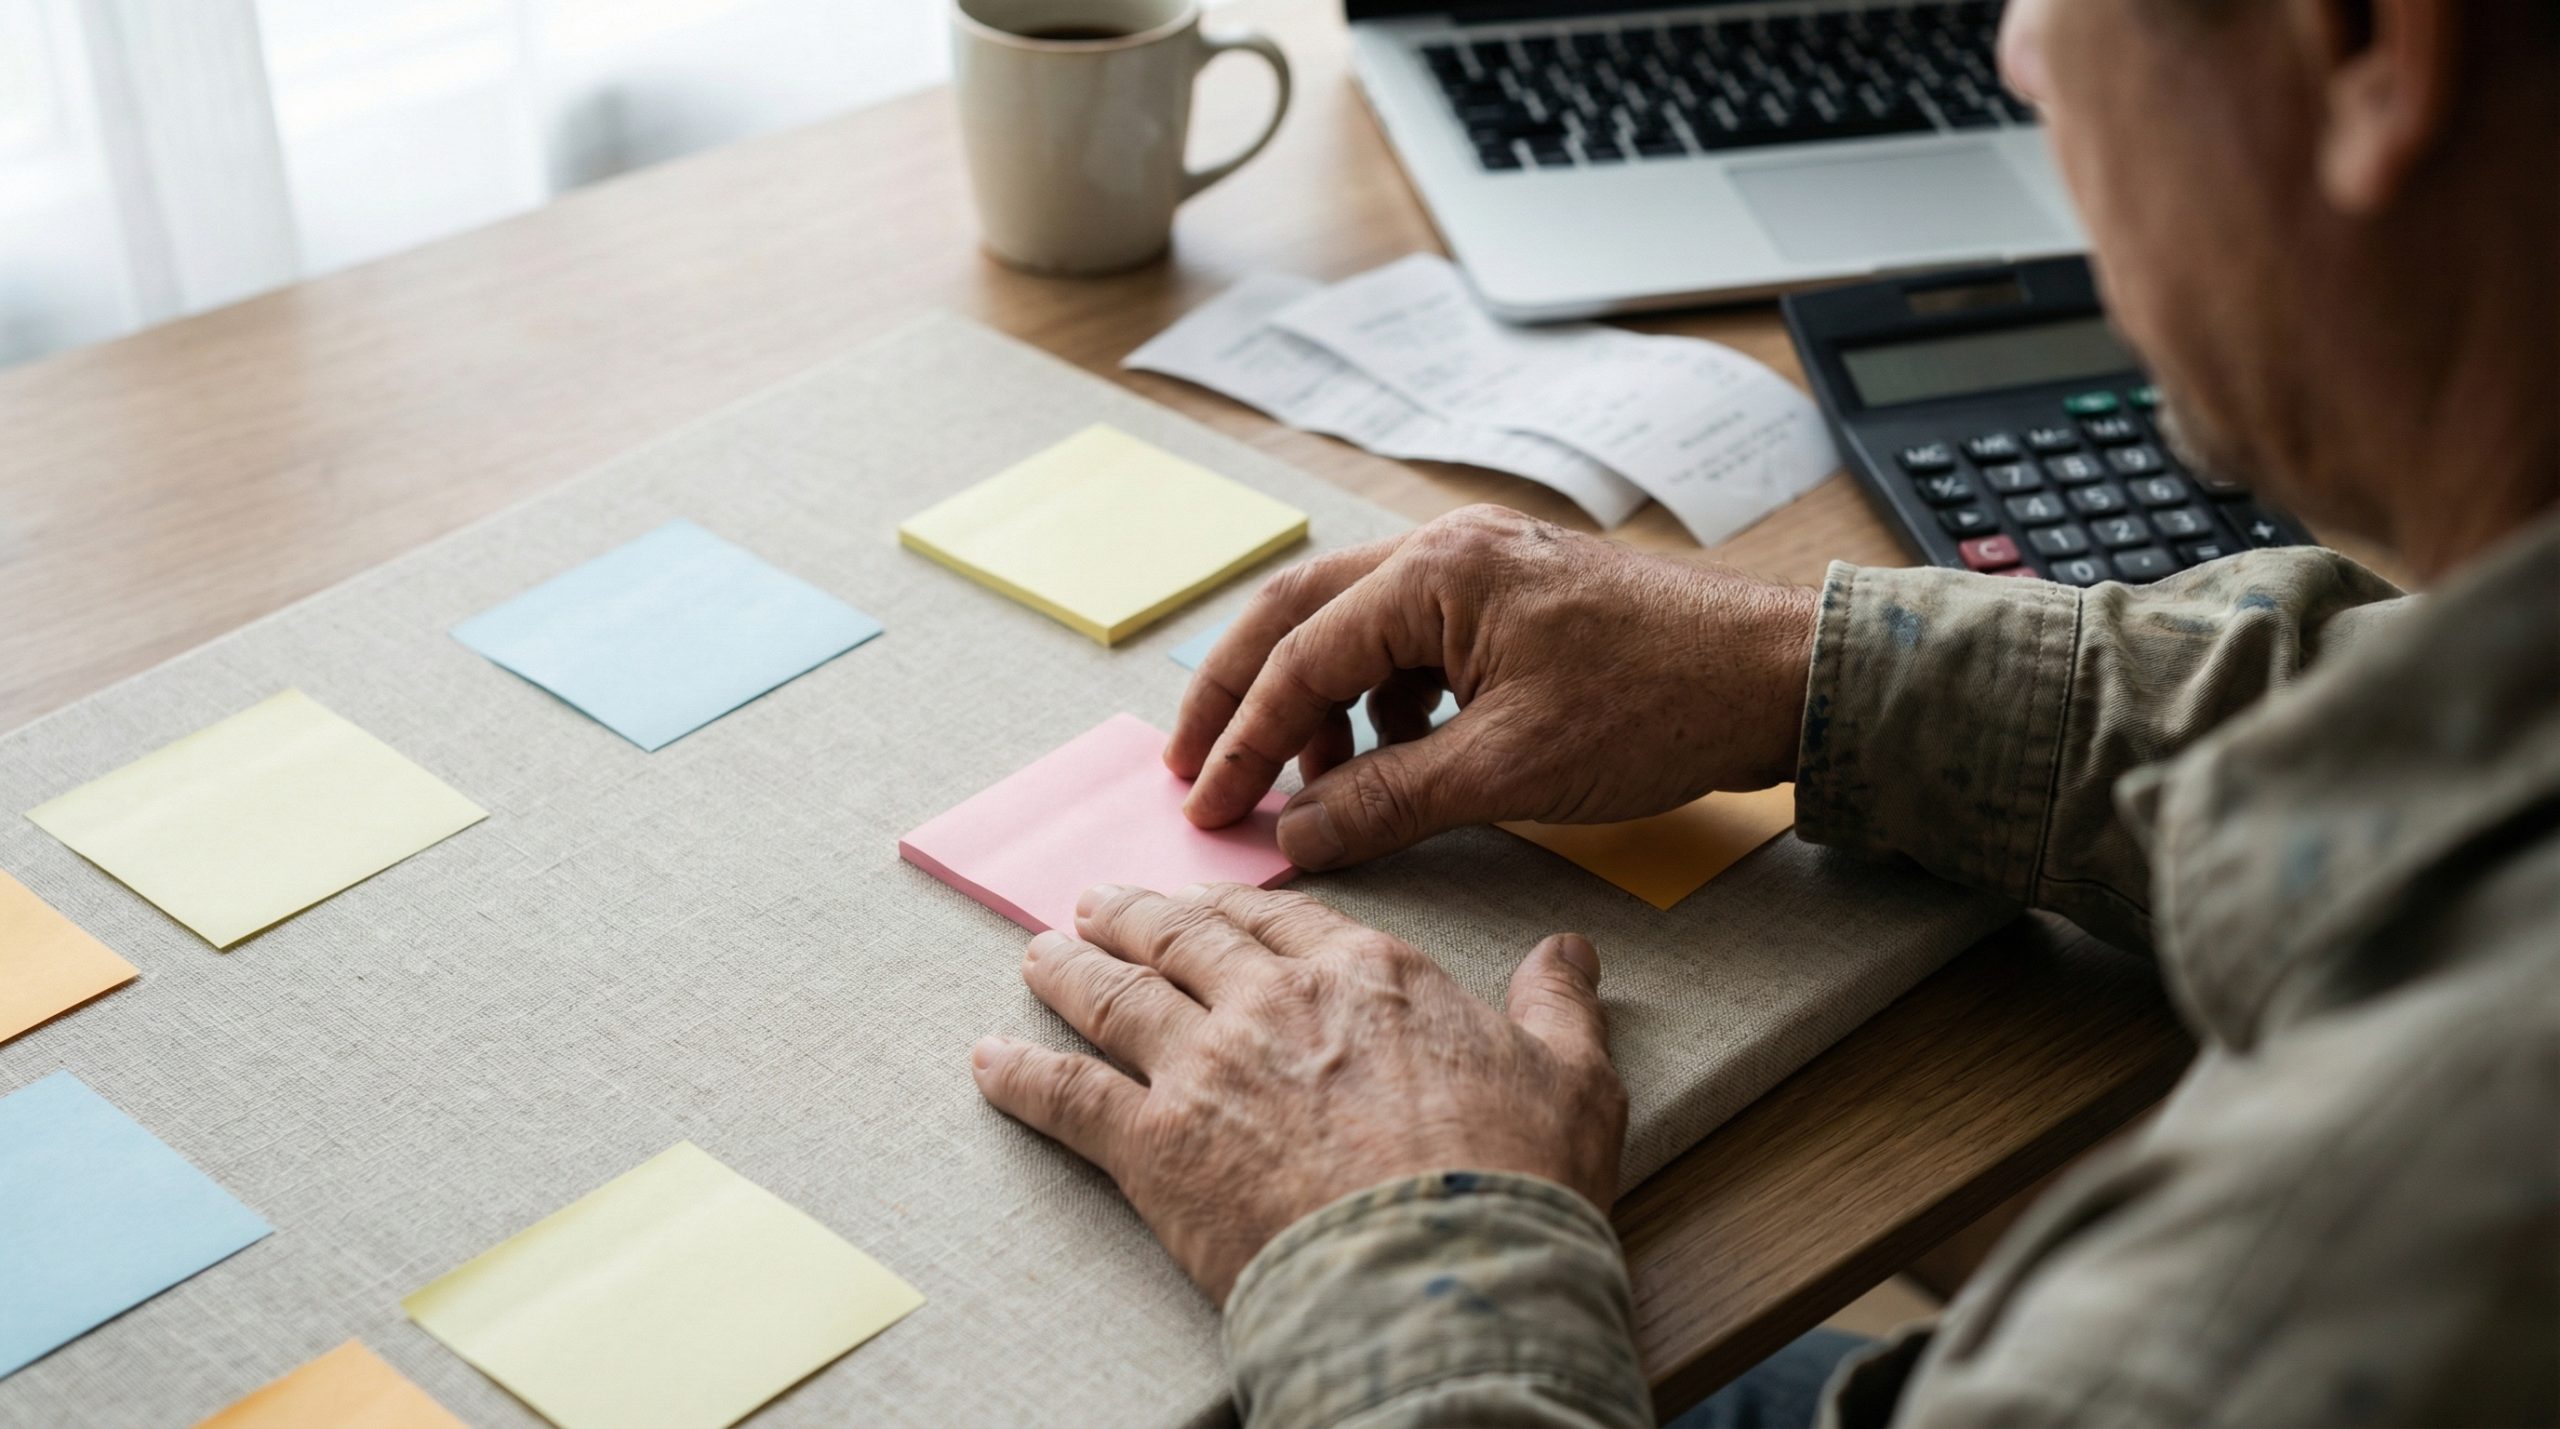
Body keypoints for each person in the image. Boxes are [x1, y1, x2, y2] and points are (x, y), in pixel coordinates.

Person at [967, 0, 2558, 1419]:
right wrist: (1815, 665)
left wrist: (1410, 1261)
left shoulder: (2317, 1275)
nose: (2009, 54)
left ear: (2369, 44)